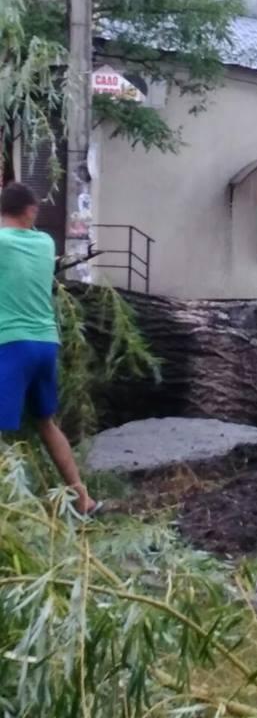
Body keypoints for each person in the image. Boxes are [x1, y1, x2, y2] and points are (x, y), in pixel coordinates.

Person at [0, 182, 98, 515]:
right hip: (45, 343)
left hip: (11, 342)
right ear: (28, 210)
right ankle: (83, 497)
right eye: (36, 209)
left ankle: (9, 507)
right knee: (46, 422)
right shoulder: (44, 243)